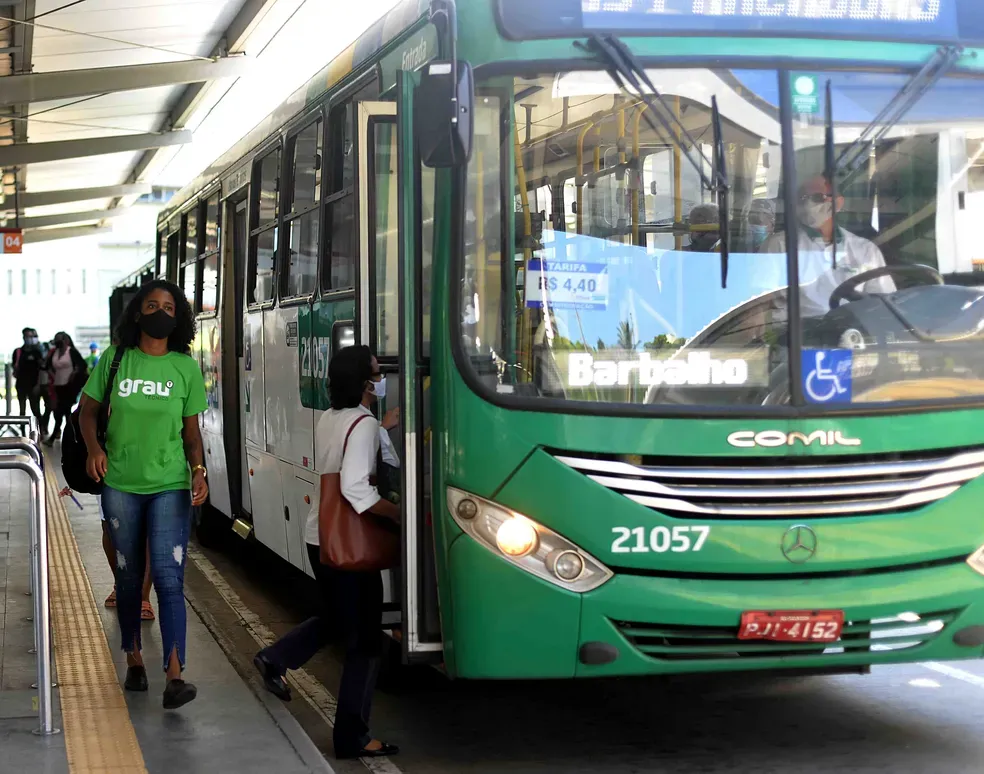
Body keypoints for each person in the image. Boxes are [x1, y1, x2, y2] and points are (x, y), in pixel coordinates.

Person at [253, 345, 401, 759]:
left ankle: (275, 658)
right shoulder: (364, 424)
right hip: (349, 543)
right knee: (365, 643)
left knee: (339, 618)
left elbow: (347, 459)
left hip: (320, 535)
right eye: (376, 371)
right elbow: (356, 487)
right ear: (365, 382)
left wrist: (382, 427)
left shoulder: (331, 418)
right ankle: (352, 737)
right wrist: (398, 514)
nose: (381, 376)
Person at [79, 279, 208, 710]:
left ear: (179, 317)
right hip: (120, 483)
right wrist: (95, 450)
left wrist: (199, 470)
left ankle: (175, 675)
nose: (159, 312)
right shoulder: (117, 360)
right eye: (151, 305)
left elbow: (191, 433)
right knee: (129, 575)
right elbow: (88, 409)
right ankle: (134, 657)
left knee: (170, 578)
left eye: (168, 307)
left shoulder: (185, 369)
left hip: (170, 484)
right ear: (137, 313)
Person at [761, 175, 894, 318]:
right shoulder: (779, 245)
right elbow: (762, 303)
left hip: (853, 333)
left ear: (837, 203)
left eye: (818, 198)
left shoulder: (866, 250)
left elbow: (884, 302)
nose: (808, 205)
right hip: (799, 335)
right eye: (802, 199)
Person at [43, 332, 88, 447]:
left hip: (70, 387)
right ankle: (74, 437)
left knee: (61, 411)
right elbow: (47, 366)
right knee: (65, 413)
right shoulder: (54, 353)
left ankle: (54, 437)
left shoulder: (71, 352)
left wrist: (74, 374)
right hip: (58, 386)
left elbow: (82, 365)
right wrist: (52, 376)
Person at [11, 328, 44, 421]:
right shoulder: (18, 352)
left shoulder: (37, 352)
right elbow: (15, 367)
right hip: (21, 384)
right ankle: (22, 432)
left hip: (33, 385)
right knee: (22, 410)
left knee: (35, 409)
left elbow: (41, 369)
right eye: (27, 336)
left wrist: (38, 385)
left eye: (31, 336)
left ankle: (40, 431)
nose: (29, 338)